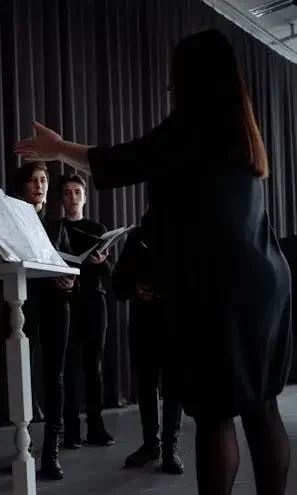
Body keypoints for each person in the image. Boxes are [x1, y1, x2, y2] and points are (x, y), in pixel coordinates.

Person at [15, 29, 292, 495]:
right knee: (262, 408)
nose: (169, 88)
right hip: (265, 283)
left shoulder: (194, 123)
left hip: (222, 288)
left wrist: (59, 147)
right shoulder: (240, 130)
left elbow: (127, 160)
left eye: (175, 77)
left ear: (191, 76)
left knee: (215, 414)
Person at [12, 161, 74, 480]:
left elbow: (64, 264)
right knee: (22, 376)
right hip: (23, 306)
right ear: (22, 187)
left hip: (55, 307)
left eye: (44, 180)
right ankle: (23, 447)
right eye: (34, 180)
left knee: (55, 377)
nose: (40, 186)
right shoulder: (9, 223)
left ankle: (51, 450)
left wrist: (69, 280)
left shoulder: (57, 225)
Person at [112, 226, 183, 474]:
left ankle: (170, 449)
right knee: (146, 385)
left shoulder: (185, 233)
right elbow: (117, 284)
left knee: (174, 387)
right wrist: (135, 289)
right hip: (143, 324)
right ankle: (151, 444)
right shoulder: (137, 237)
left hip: (175, 323)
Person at [58, 173, 114, 448]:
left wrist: (102, 261)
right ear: (61, 199)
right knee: (68, 370)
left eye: (77, 192)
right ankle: (70, 430)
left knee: (94, 368)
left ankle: (96, 428)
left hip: (94, 302)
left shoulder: (96, 228)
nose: (72, 198)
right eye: (67, 193)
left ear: (85, 198)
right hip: (67, 303)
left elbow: (108, 273)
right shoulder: (54, 228)